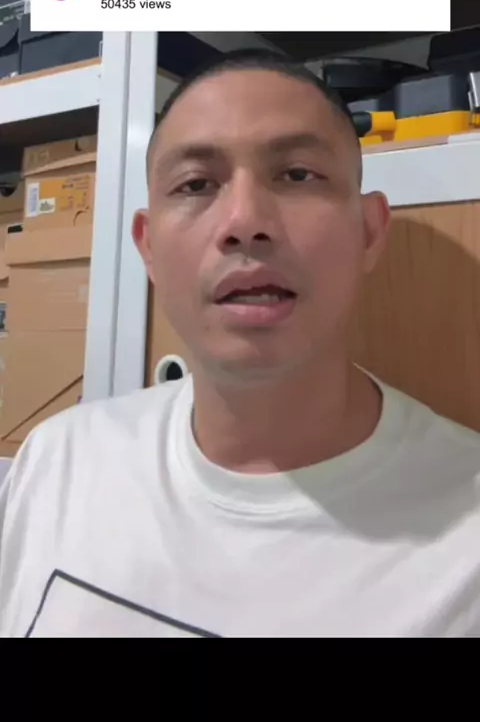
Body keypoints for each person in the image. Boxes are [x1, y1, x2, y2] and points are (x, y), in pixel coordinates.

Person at [1, 49, 480, 639]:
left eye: (297, 175)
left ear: (369, 231)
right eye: (196, 184)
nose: (245, 221)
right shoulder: (58, 463)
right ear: (148, 248)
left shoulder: (466, 543)